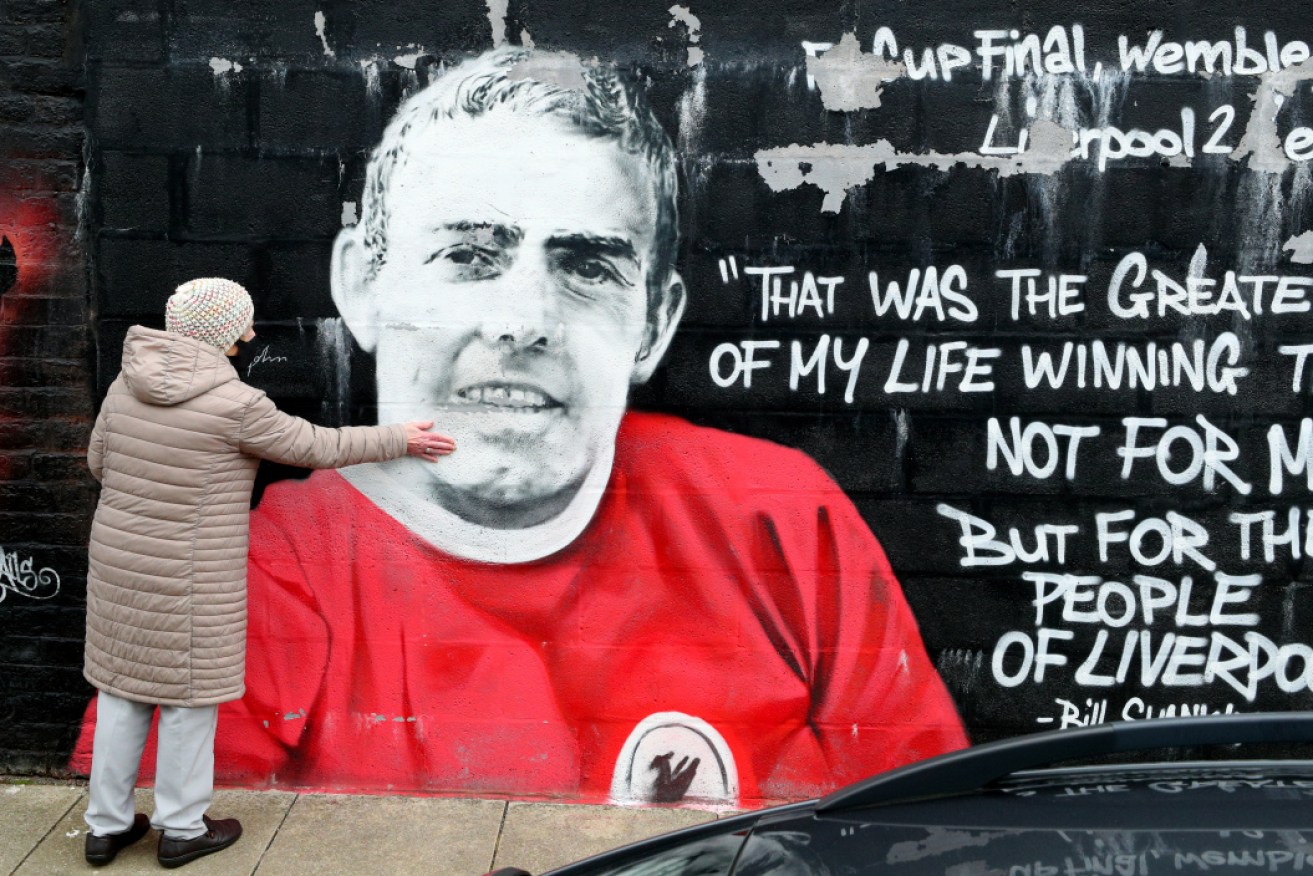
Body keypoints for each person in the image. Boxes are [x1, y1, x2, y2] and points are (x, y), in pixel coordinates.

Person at [74, 48, 966, 807]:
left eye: (586, 266)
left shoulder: (778, 520)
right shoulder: (269, 578)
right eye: (469, 254)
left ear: (652, 323)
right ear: (363, 288)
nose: (524, 318)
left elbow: (930, 829)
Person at [79, 278, 454, 868]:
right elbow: (317, 446)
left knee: (123, 693)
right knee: (187, 702)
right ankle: (180, 828)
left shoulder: (128, 383)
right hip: (190, 576)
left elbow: (99, 463)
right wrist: (399, 438)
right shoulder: (236, 405)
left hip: (120, 567)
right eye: (243, 325)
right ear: (225, 333)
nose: (251, 334)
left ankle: (106, 827)